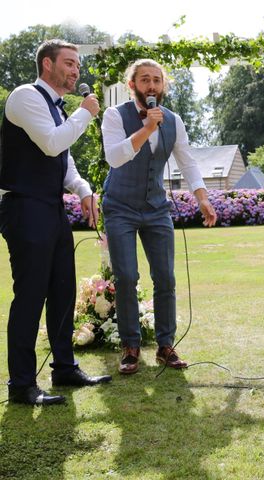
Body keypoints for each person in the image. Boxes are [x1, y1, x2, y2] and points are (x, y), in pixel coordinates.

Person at [0, 39, 112, 406]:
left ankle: (64, 367)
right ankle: (21, 385)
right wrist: (85, 113)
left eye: (77, 64)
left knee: (62, 291)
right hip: (24, 206)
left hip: (51, 207)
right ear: (47, 65)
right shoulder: (25, 96)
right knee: (30, 295)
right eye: (68, 63)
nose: (76, 70)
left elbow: (64, 160)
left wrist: (82, 189)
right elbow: (51, 143)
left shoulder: (59, 107)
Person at [101, 58, 217, 375]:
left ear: (162, 85)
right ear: (132, 85)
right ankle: (130, 347)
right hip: (120, 206)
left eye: (156, 80)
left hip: (156, 207)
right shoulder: (114, 116)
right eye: (145, 80)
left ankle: (165, 346)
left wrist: (202, 199)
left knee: (165, 277)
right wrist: (147, 128)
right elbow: (115, 156)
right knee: (126, 277)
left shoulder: (174, 121)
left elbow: (188, 162)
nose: (151, 85)